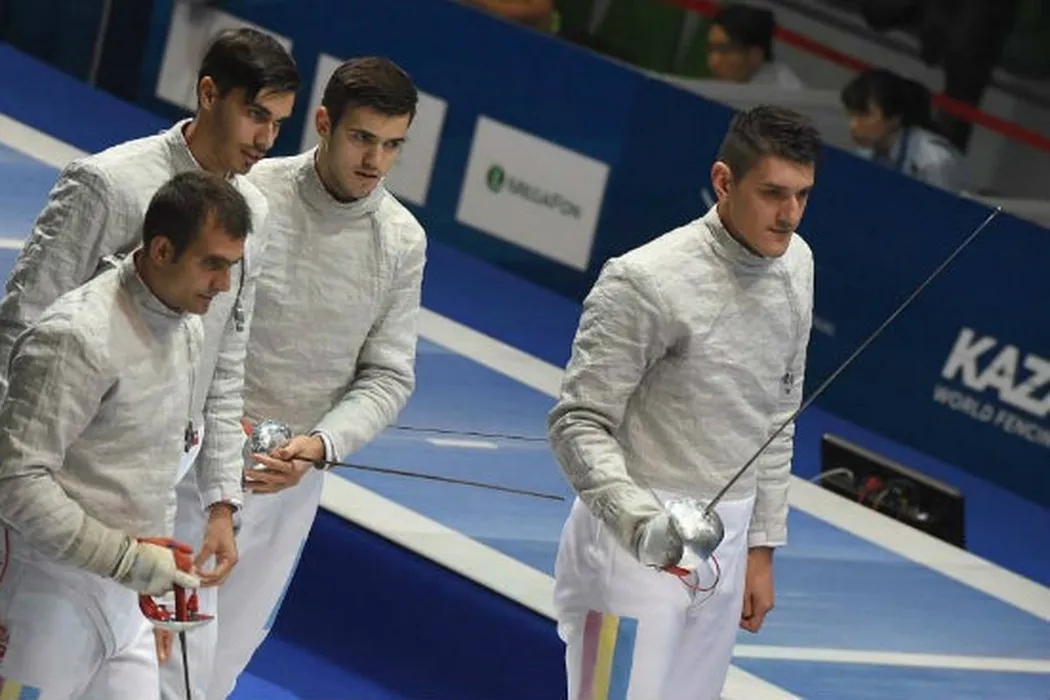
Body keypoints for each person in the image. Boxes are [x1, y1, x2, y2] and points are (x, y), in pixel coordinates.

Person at [0, 24, 299, 679]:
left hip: (164, 483)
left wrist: (222, 502)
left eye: (279, 124)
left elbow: (226, 363)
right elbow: (19, 332)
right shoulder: (110, 184)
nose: (266, 140)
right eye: (256, 115)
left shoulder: (249, 210)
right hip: (68, 476)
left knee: (175, 673)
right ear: (209, 94)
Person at [160, 55, 427, 699]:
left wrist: (321, 445)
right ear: (324, 123)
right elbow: (189, 316)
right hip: (195, 461)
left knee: (215, 671)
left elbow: (388, 375)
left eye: (393, 145)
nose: (375, 161)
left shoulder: (401, 241)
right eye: (362, 138)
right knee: (160, 659)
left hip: (289, 482)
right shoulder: (250, 196)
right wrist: (215, 418)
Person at [548, 104, 818, 700]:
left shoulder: (797, 264)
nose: (790, 215)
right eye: (773, 193)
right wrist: (639, 523)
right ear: (724, 181)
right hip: (632, 543)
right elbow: (578, 423)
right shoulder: (646, 280)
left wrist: (761, 547)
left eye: (802, 195)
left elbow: (779, 412)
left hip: (728, 540)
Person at [0, 171, 253, 699]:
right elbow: (15, 482)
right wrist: (126, 560)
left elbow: (156, 466)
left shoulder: (186, 324)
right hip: (45, 590)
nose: (224, 284)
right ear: (161, 250)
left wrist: (150, 587)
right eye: (212, 264)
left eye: (231, 266)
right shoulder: (77, 337)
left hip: (128, 595)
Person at [841, 68, 968, 192]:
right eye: (851, 115)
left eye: (864, 115)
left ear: (895, 118)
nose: (853, 125)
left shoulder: (934, 161)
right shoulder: (867, 150)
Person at [707, 4, 805, 90]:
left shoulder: (786, 96)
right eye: (711, 49)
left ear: (755, 55)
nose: (713, 62)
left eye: (724, 50)